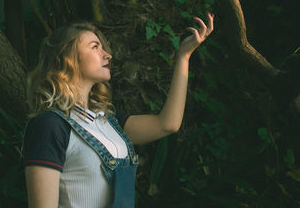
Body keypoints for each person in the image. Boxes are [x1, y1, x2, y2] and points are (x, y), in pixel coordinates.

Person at [23, 13, 215, 208]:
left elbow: (167, 124)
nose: (107, 55)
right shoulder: (50, 125)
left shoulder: (108, 122)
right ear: (67, 58)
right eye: (95, 47)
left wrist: (184, 56)